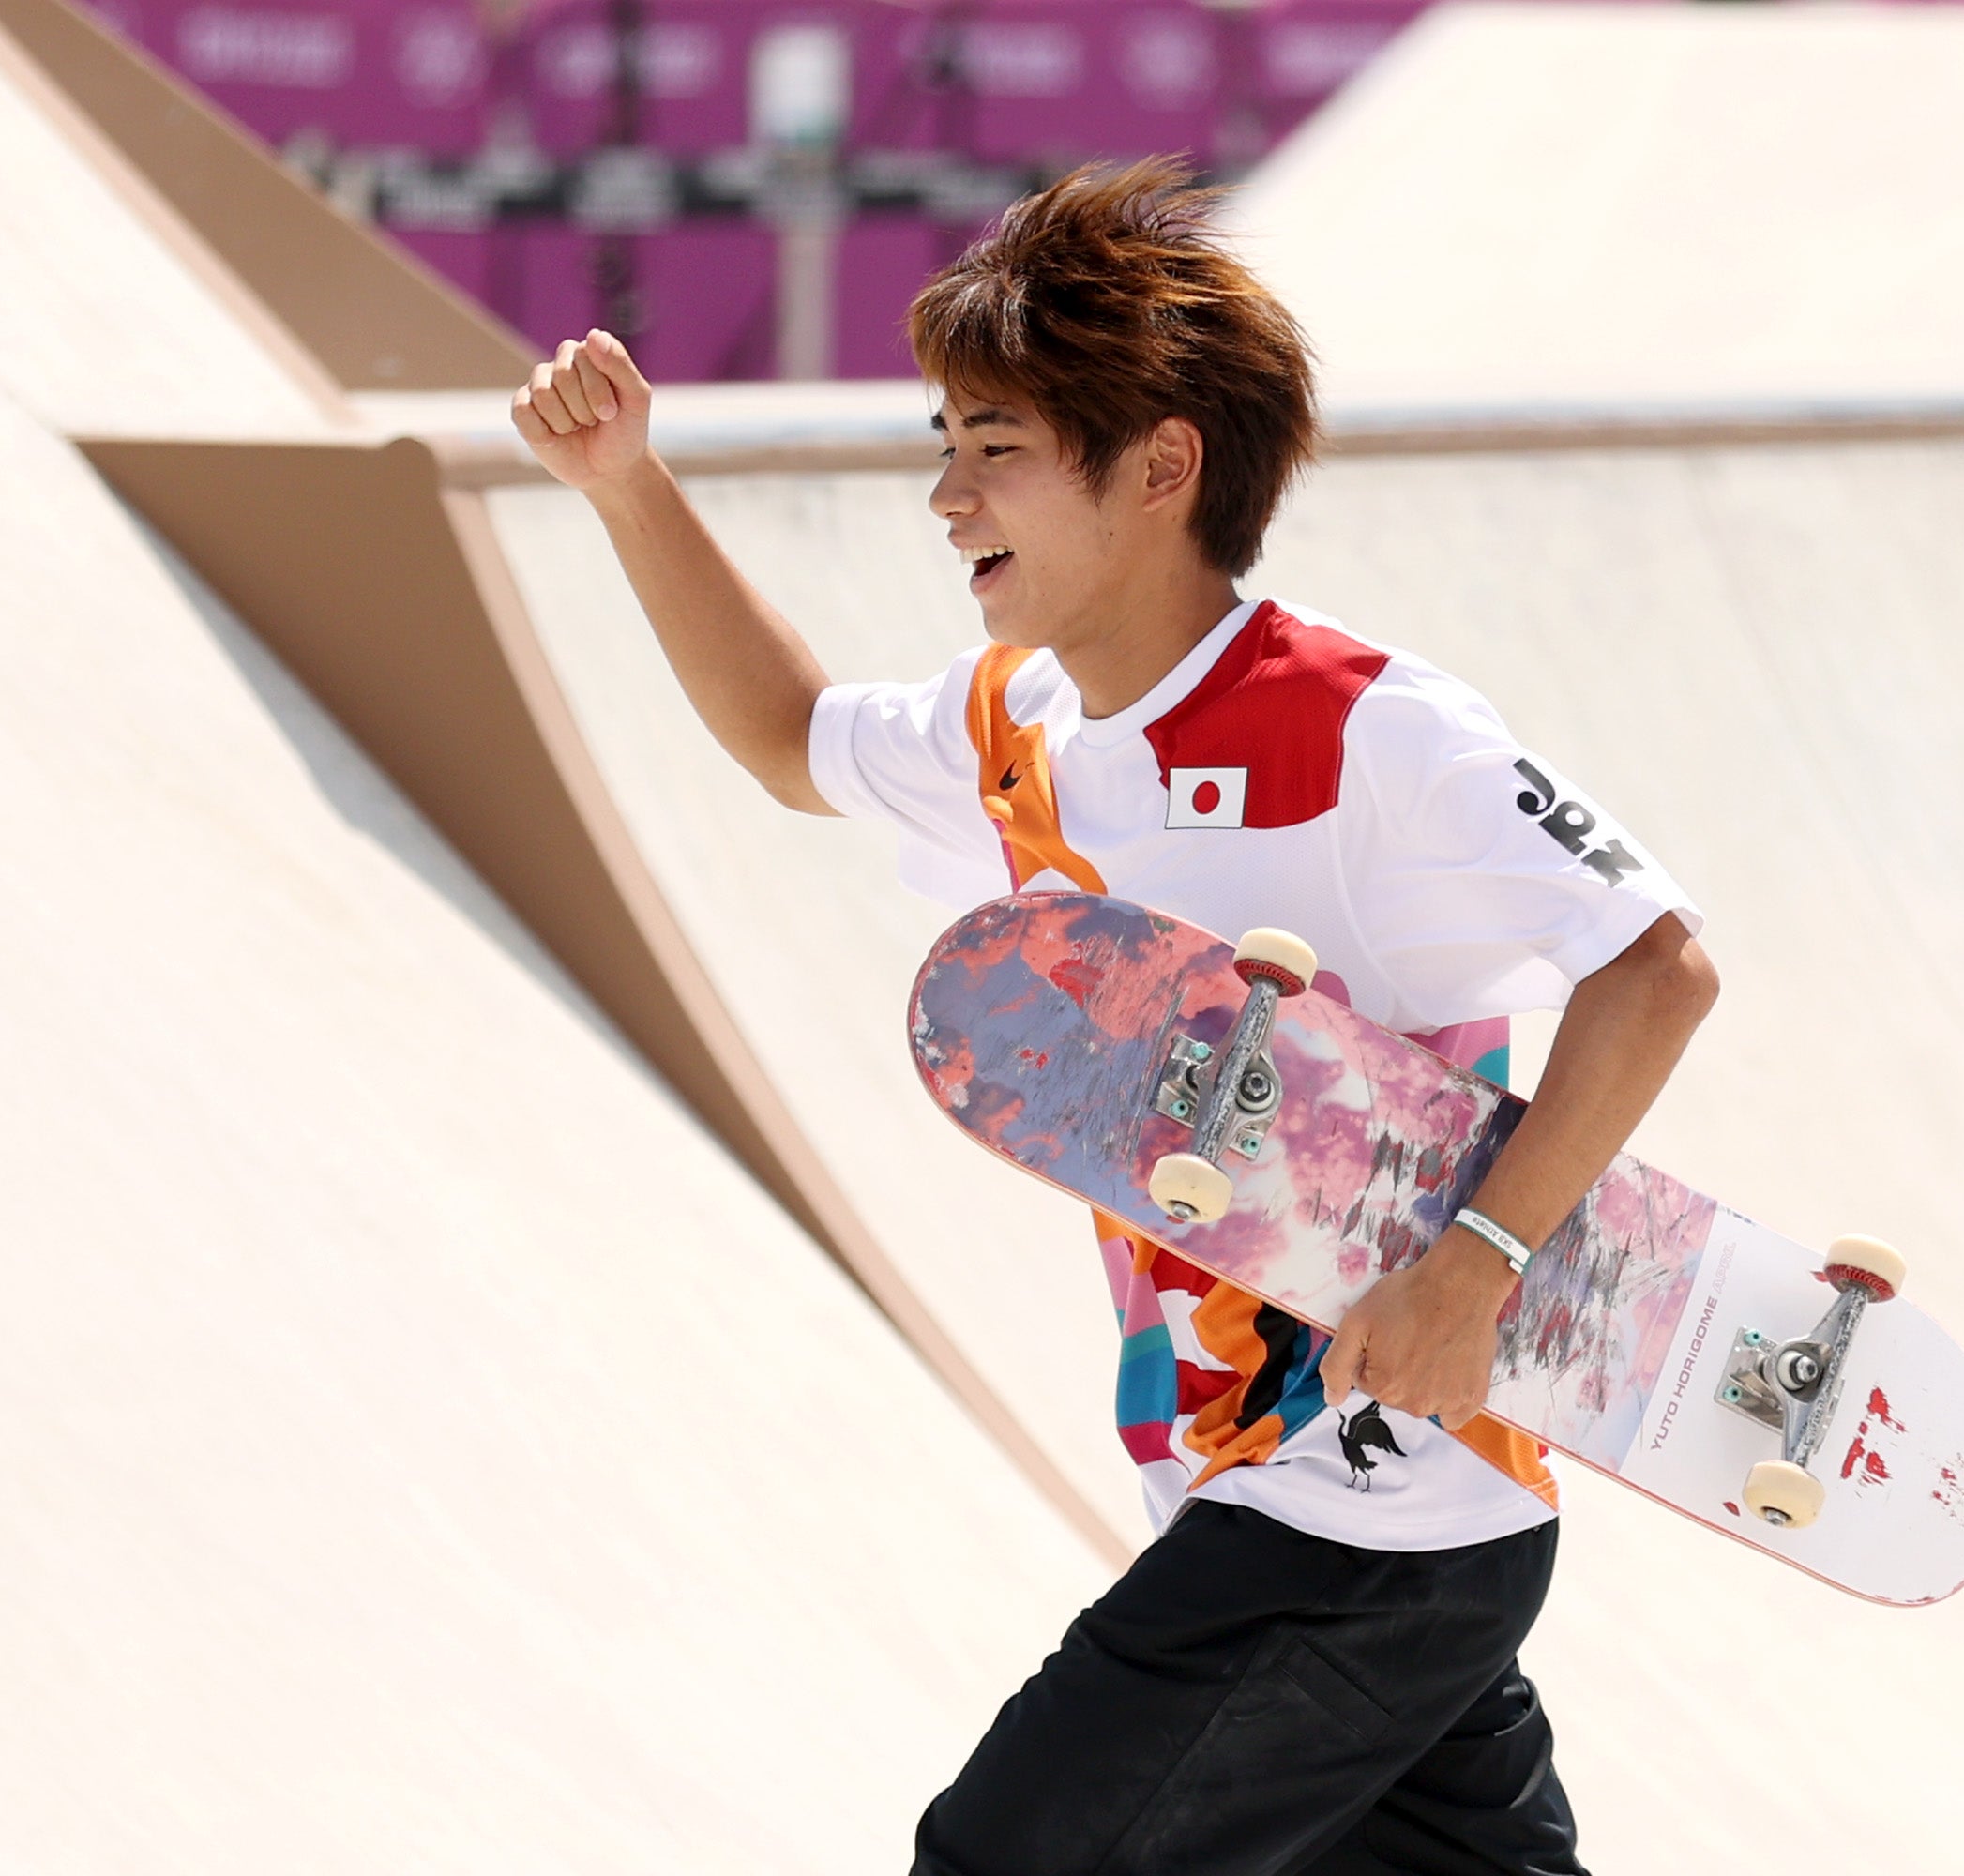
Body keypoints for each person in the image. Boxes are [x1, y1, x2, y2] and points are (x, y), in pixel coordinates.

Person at [510, 159, 1718, 1876]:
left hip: (1361, 1507)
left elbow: (1657, 966)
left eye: (994, 448)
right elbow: (789, 740)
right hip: (1301, 1503)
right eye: (944, 443)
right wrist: (628, 488)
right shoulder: (1018, 727)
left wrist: (1486, 1266)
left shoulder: (1365, 730)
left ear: (1161, 465)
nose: (945, 495)